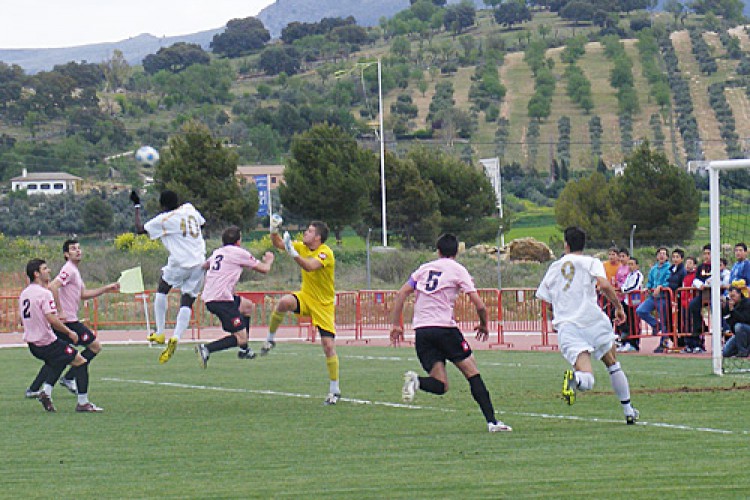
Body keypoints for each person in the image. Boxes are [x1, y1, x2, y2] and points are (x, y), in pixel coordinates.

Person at [389, 233, 512, 433]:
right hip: (445, 329)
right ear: (456, 252)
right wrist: (483, 324)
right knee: (472, 372)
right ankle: (492, 422)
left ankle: (416, 381)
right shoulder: (458, 270)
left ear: (438, 251)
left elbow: (402, 293)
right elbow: (480, 305)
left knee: (441, 385)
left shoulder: (424, 269)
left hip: (422, 332)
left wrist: (396, 325)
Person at [536, 227, 639, 425]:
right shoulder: (591, 262)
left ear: (566, 244)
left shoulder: (555, 267)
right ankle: (628, 410)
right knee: (613, 364)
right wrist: (619, 308)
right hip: (592, 320)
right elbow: (605, 285)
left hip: (568, 325)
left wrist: (554, 317)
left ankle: (576, 380)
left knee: (587, 377)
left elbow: (546, 300)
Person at [25, 240, 119, 409]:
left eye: (79, 248)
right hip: (68, 321)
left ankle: (39, 389)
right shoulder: (68, 269)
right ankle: (71, 385)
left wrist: (105, 289)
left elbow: (83, 294)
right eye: (73, 249)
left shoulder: (74, 270)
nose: (78, 251)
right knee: (92, 348)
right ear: (66, 254)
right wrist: (60, 311)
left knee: (59, 357)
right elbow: (54, 286)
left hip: (63, 323)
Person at [266, 220, 341, 405]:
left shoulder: (325, 252)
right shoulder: (302, 247)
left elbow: (310, 266)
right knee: (284, 302)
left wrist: (293, 254)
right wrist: (274, 231)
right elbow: (278, 244)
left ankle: (334, 389)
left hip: (323, 304)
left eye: (309, 231)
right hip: (306, 297)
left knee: (328, 346)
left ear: (318, 237)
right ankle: (270, 338)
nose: (305, 233)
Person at [132, 190, 206, 363]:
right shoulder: (189, 209)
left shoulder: (163, 219)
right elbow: (202, 224)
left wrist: (136, 206)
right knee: (187, 300)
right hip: (199, 261)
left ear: (162, 205)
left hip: (180, 262)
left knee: (162, 288)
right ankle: (176, 337)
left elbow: (140, 229)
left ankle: (159, 332)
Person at [20, 258, 100, 412]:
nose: (48, 270)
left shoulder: (24, 294)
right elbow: (51, 318)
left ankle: (46, 392)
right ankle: (83, 403)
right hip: (46, 342)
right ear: (36, 274)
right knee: (81, 362)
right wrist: (69, 332)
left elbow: (23, 319)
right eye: (45, 268)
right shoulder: (45, 293)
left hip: (32, 344)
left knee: (59, 361)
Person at [195, 226, 274, 368]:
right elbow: (264, 269)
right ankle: (206, 349)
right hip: (221, 300)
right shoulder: (238, 252)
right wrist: (269, 260)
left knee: (247, 306)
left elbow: (205, 265)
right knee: (240, 337)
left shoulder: (218, 252)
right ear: (238, 241)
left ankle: (245, 350)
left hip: (214, 297)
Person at [636, 247, 672, 353]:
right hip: (653, 297)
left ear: (666, 257)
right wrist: (648, 287)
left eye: (664, 254)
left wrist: (661, 286)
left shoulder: (669, 268)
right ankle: (656, 325)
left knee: (665, 319)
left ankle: (663, 343)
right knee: (641, 310)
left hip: (664, 297)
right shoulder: (654, 269)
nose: (661, 256)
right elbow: (650, 281)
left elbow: (669, 280)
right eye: (660, 254)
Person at [687, 245, 712, 353]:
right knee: (693, 306)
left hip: (715, 293)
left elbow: (720, 276)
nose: (706, 256)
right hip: (703, 294)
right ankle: (699, 331)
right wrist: (700, 284)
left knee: (718, 311)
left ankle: (724, 336)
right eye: (705, 253)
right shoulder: (701, 267)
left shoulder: (717, 265)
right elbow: (695, 279)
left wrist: (709, 283)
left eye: (709, 253)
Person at [617, 257, 644, 353]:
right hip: (627, 300)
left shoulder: (638, 275)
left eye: (632, 264)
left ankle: (634, 344)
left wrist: (624, 290)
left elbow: (634, 286)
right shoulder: (629, 275)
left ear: (637, 266)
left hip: (635, 301)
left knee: (634, 322)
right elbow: (625, 284)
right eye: (629, 264)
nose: (630, 266)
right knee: (623, 318)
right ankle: (626, 340)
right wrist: (623, 289)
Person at [722, 286, 750, 358]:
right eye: (730, 296)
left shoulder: (747, 303)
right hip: (738, 333)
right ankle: (743, 348)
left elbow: (744, 319)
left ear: (739, 294)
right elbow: (730, 324)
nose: (732, 298)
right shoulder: (731, 305)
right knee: (725, 352)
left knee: (739, 326)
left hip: (747, 330)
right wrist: (725, 309)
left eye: (733, 296)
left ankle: (743, 351)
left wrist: (733, 311)